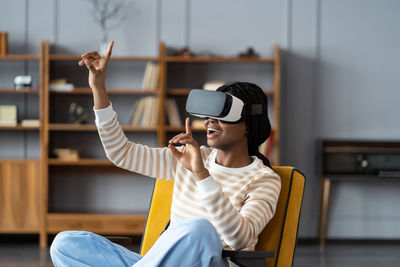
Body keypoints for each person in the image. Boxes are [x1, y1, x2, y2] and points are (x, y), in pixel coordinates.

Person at [50, 41, 281, 267]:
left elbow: (240, 239)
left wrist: (201, 174)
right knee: (65, 243)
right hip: (160, 262)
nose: (210, 120)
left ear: (248, 124)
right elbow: (120, 152)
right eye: (210, 113)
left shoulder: (263, 179)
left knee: (199, 229)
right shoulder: (189, 156)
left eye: (222, 113)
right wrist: (98, 88)